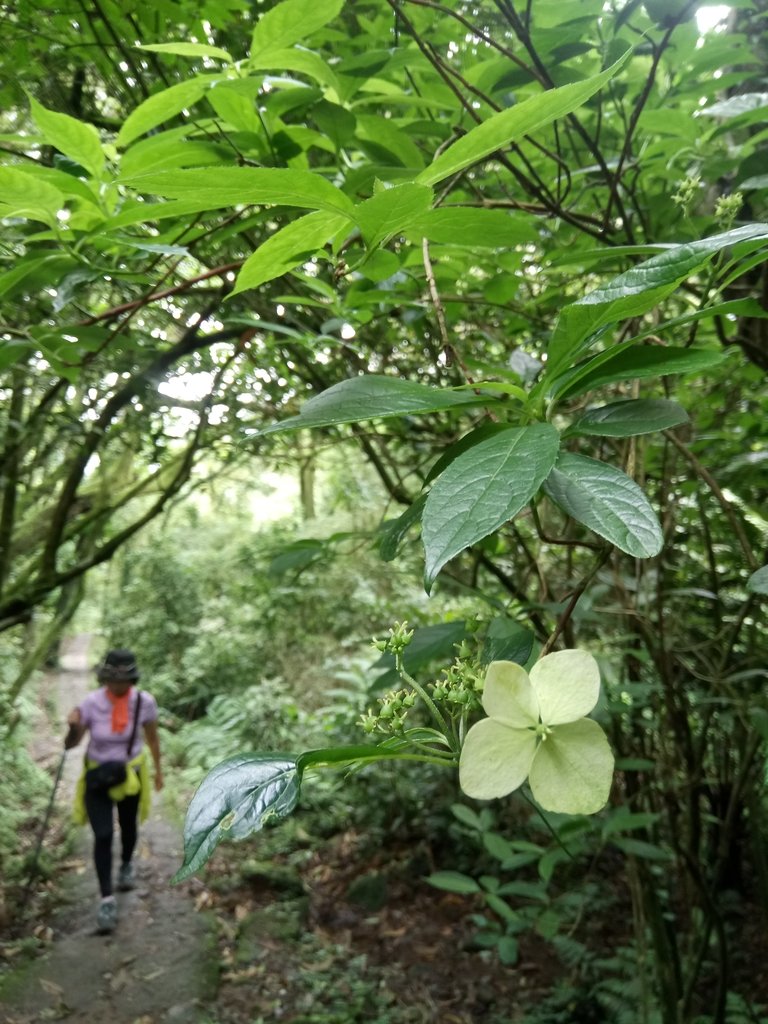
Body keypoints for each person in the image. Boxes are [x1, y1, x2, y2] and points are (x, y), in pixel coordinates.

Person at [64, 649, 163, 934]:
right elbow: (71, 744)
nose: (119, 686)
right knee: (103, 834)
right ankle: (107, 898)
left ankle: (127, 863)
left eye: (125, 681)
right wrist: (72, 726)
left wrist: (158, 772)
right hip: (98, 776)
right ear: (105, 679)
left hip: (130, 773)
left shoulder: (144, 702)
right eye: (114, 680)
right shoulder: (92, 703)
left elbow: (153, 739)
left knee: (129, 826)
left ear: (133, 679)